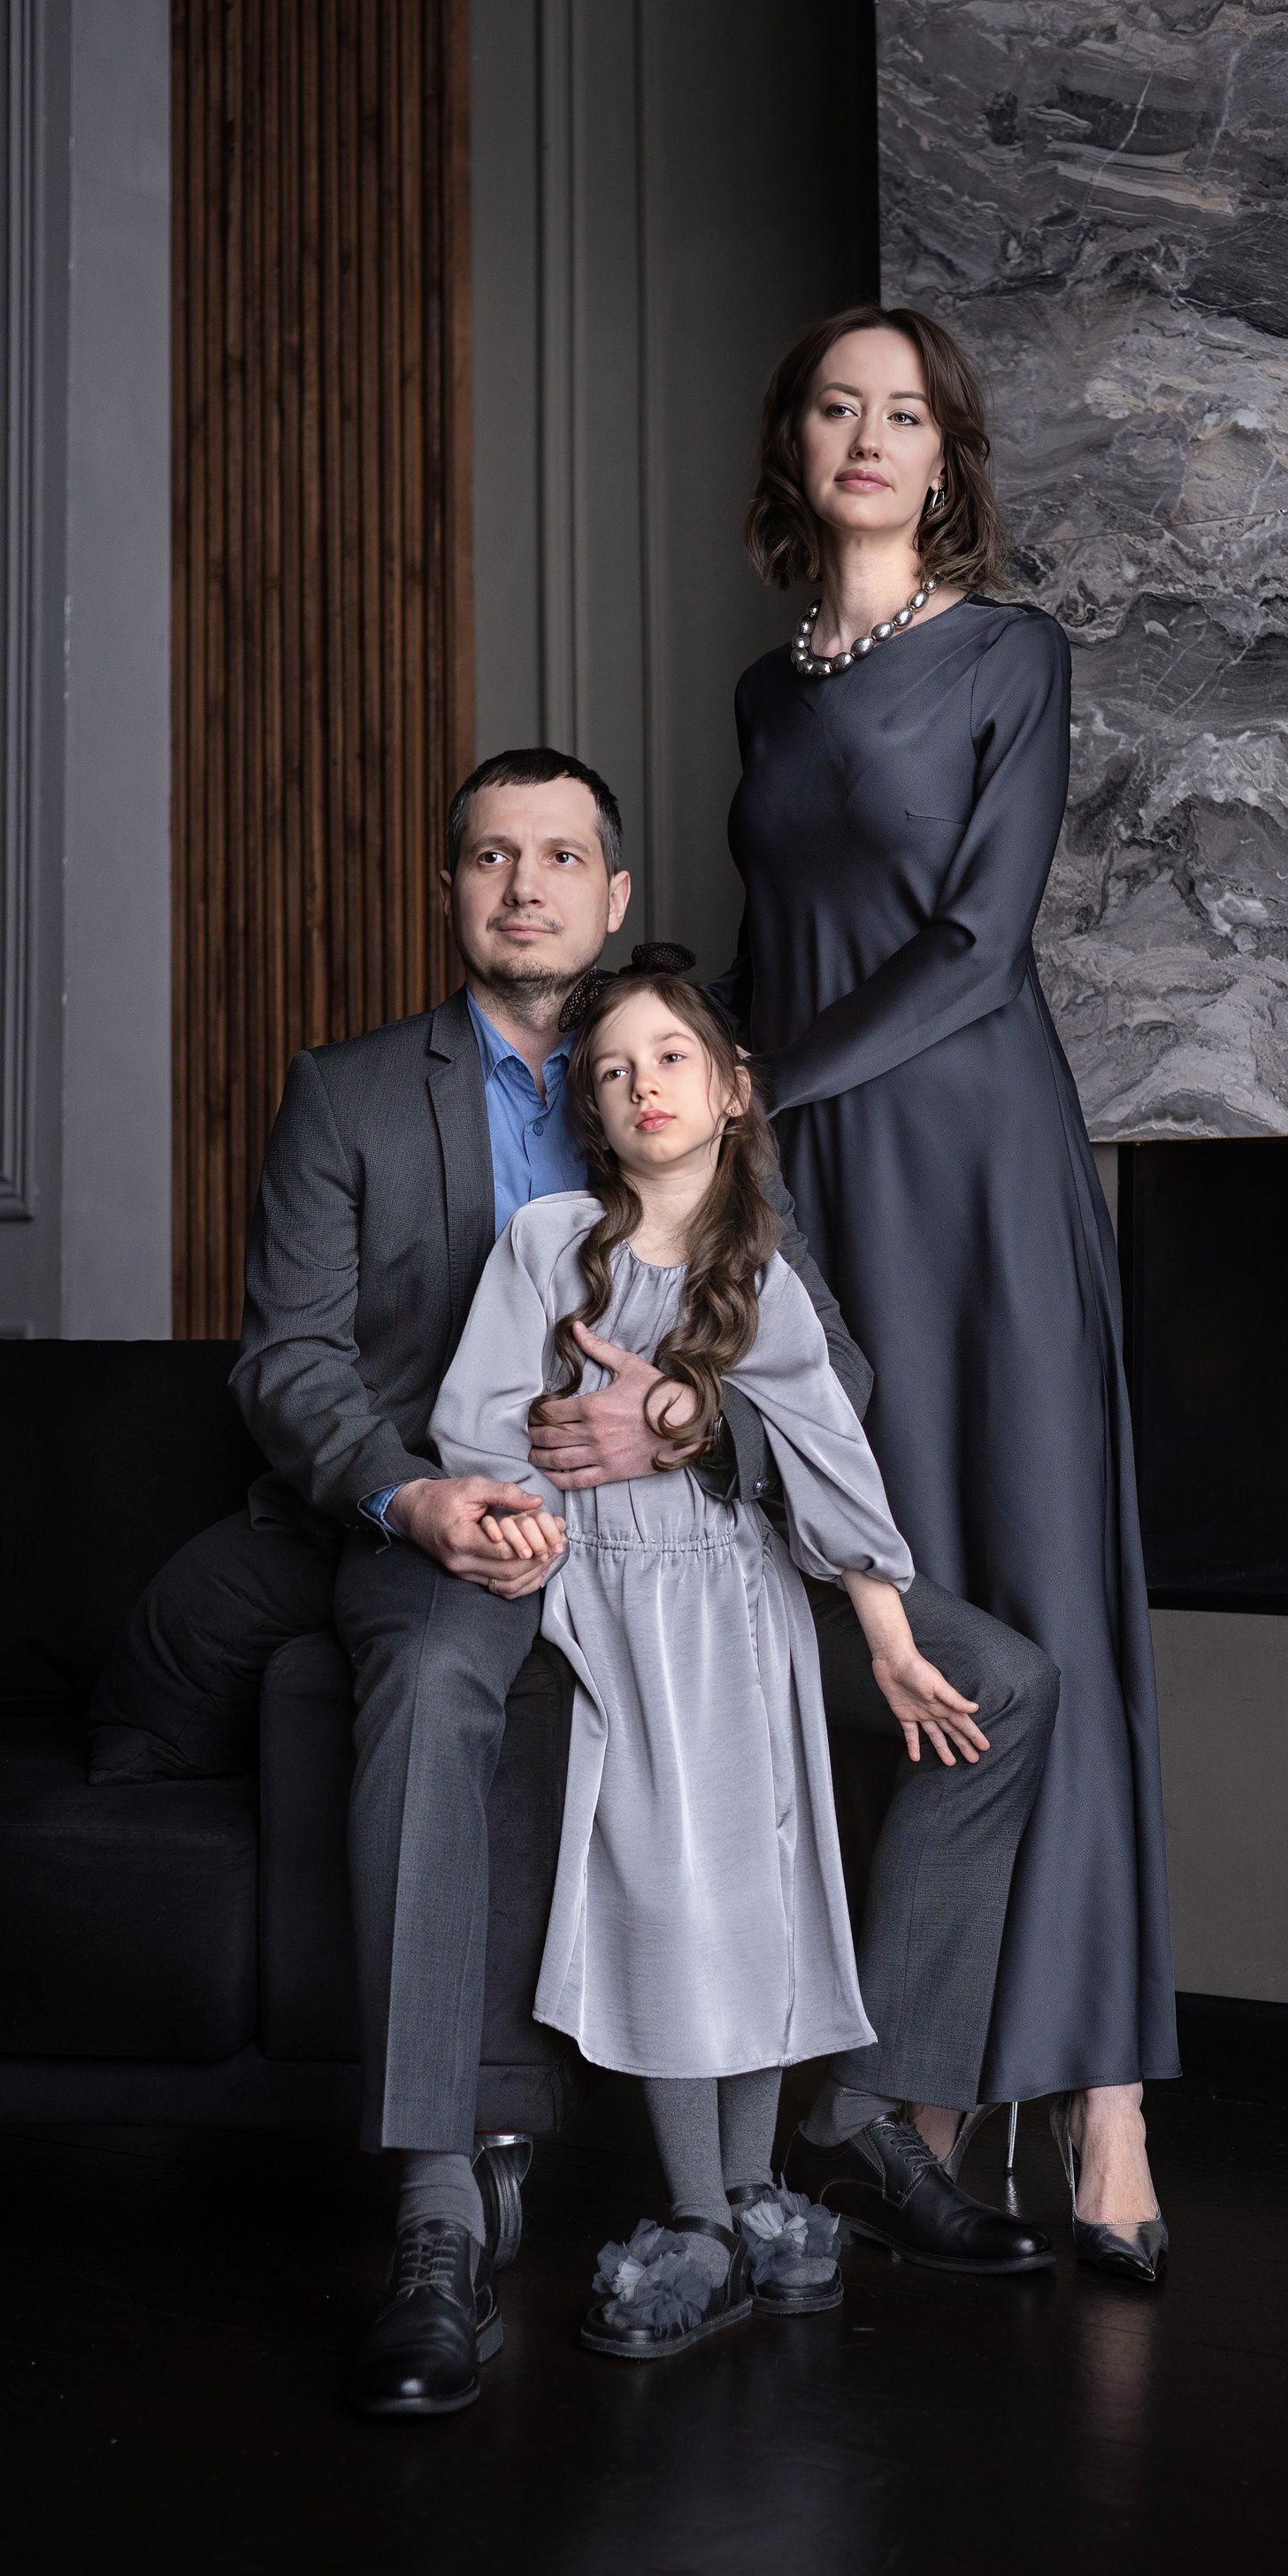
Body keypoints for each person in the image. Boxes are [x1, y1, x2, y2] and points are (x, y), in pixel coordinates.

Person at [221, 743, 1056, 2420]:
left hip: (711, 1545)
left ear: (611, 895)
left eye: (559, 856)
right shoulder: (352, 1092)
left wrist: (688, 1417)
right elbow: (290, 1358)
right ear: (451, 890)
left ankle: (859, 2121)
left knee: (1007, 1684)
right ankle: (439, 2205)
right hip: (471, 1526)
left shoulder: (690, 1075)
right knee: (436, 1686)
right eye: (489, 856)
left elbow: (831, 1375)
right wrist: (419, 1493)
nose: (522, 885)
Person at [722, 305, 1179, 2283]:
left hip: (980, 1166)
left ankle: (1104, 2102)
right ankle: (916, 2088)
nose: (871, 435)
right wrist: (690, 1089)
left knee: (1045, 1588)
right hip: (818, 1184)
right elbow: (773, 943)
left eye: (906, 412)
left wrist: (762, 1084)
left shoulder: (1012, 655)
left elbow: (981, 947)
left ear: (947, 456)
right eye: (839, 405)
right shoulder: (768, 693)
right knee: (908, 1606)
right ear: (798, 443)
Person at [430, 958, 997, 2358]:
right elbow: (482, 1424)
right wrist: (518, 1525)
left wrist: (890, 1641)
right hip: (615, 1617)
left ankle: (744, 2198)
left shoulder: (764, 1279)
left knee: (752, 1898)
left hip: (744, 1622)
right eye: (612, 1068)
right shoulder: (549, 1244)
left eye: (671, 1057)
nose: (644, 1085)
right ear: (589, 1107)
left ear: (734, 1091)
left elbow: (833, 1465)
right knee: (665, 1899)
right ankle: (697, 2206)